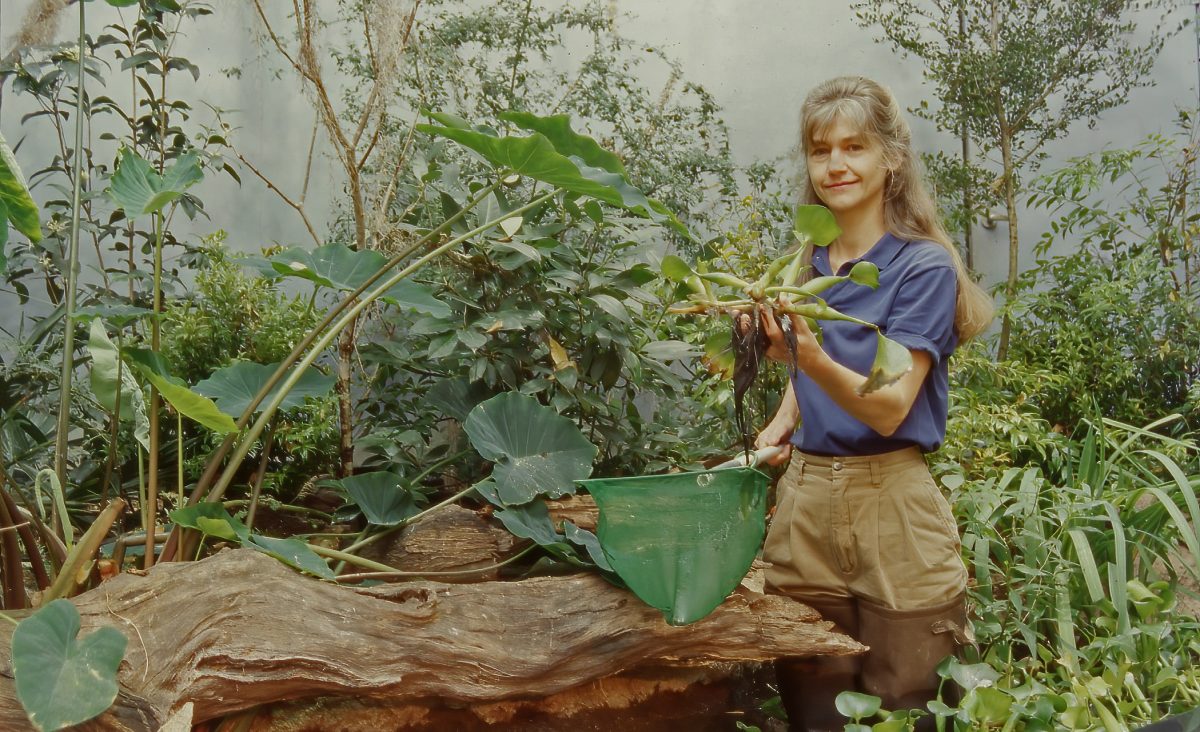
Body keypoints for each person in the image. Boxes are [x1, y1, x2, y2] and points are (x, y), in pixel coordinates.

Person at [752, 76, 993, 731]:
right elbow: (801, 381)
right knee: (814, 710)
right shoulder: (812, 265)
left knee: (909, 705)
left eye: (854, 146)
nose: (835, 164)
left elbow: (888, 407)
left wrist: (809, 356)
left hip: (894, 505)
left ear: (890, 159)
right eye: (820, 149)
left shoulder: (923, 268)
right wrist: (774, 429)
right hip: (805, 506)